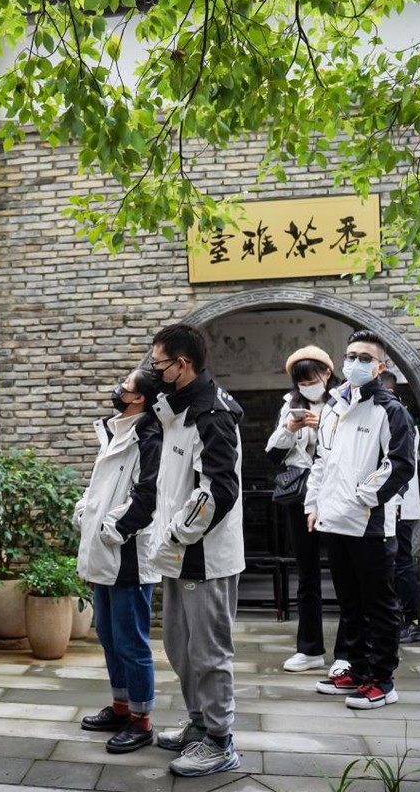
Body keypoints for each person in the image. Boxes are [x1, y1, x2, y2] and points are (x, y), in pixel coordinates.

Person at [145, 324, 245, 778]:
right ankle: (201, 725)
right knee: (179, 646)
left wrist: (179, 533)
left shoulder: (212, 413)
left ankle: (220, 741)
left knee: (208, 652)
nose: (153, 371)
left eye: (158, 364)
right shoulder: (176, 413)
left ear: (181, 365)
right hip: (178, 552)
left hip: (203, 555)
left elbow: (219, 490)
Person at [306, 330, 414, 710]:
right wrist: (314, 505)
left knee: (379, 604)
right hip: (333, 521)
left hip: (370, 524)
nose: (355, 363)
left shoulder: (391, 410)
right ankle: (354, 668)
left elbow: (399, 466)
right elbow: (323, 461)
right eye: (351, 355)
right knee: (349, 602)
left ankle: (382, 680)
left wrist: (359, 497)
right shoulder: (334, 407)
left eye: (364, 358)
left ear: (380, 366)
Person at [75, 368, 163, 754]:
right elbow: (100, 488)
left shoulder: (149, 437)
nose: (119, 389)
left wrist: (112, 529)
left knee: (131, 641)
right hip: (103, 551)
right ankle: (121, 706)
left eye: (125, 386)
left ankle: (142, 721)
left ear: (139, 398)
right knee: (109, 637)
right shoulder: (115, 431)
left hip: (126, 553)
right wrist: (85, 513)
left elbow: (148, 497)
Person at [264, 345, 349, 675]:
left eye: (311, 377)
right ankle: (309, 648)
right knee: (307, 572)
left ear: (327, 374)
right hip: (300, 496)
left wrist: (326, 425)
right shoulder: (290, 406)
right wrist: (290, 429)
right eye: (300, 380)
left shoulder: (344, 402)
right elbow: (271, 454)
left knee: (345, 573)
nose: (306, 385)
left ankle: (346, 652)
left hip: (336, 493)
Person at [377, 370, 420, 644]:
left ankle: (413, 621)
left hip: (399, 505)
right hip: (393, 503)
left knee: (402, 563)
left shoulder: (399, 415)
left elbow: (399, 465)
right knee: (394, 563)